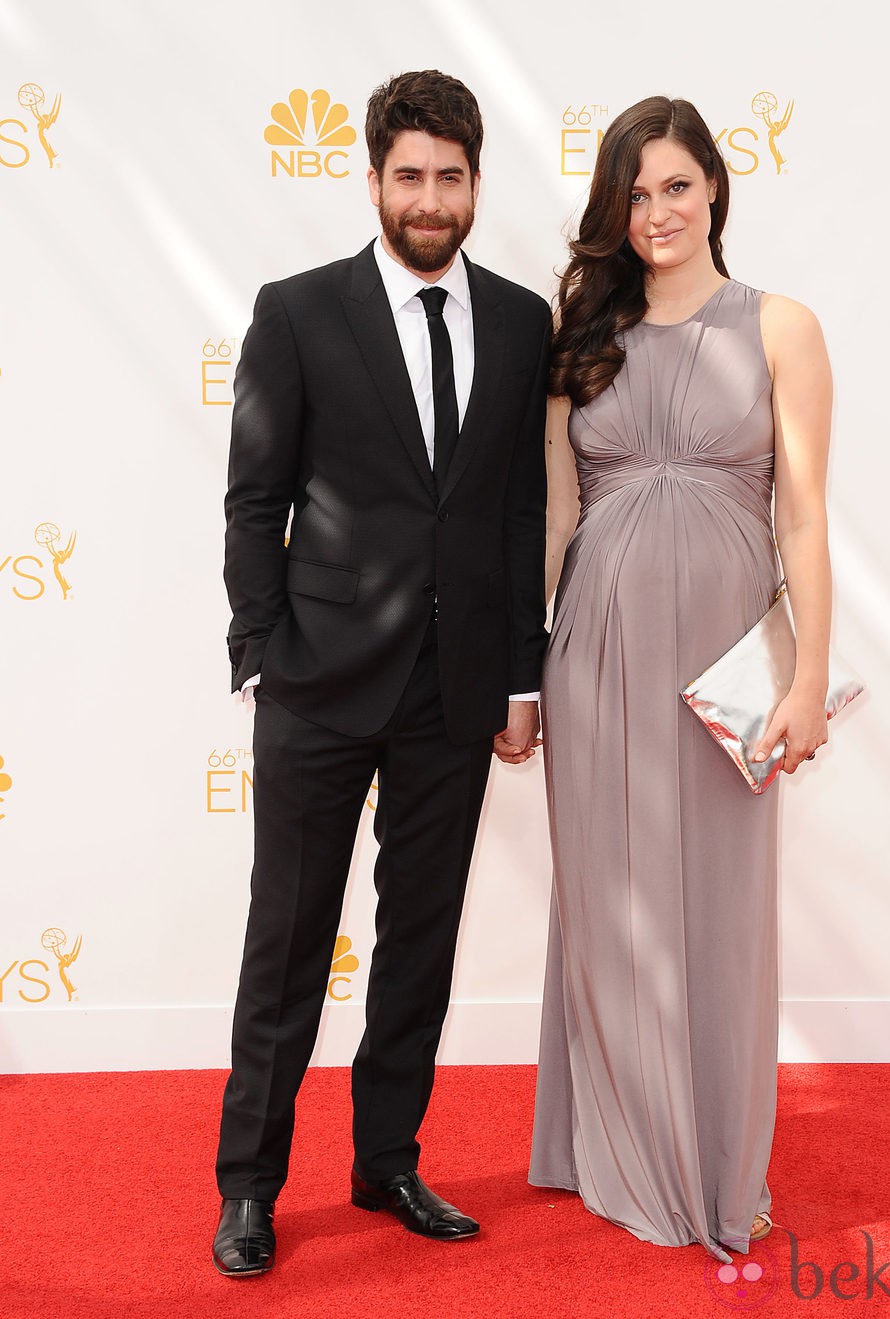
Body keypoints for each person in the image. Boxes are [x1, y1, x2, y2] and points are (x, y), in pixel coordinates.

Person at [213, 69, 550, 1277]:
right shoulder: (298, 310)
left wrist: (521, 679)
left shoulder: (519, 322)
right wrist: (261, 653)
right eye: (406, 175)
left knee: (421, 936)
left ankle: (386, 1158)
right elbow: (255, 498)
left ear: (473, 185)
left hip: (451, 691)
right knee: (288, 937)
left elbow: (517, 511)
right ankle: (249, 1184)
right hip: (315, 679)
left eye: (448, 176)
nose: (427, 197)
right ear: (372, 180)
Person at [528, 96, 832, 1263]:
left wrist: (803, 674)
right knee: (608, 899)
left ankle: (716, 1162)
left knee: (721, 910)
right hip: (595, 654)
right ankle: (612, 1144)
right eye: (633, 192)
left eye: (674, 185)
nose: (655, 212)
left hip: (724, 663)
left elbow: (800, 518)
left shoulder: (779, 327)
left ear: (713, 186)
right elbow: (559, 506)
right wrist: (522, 667)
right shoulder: (581, 330)